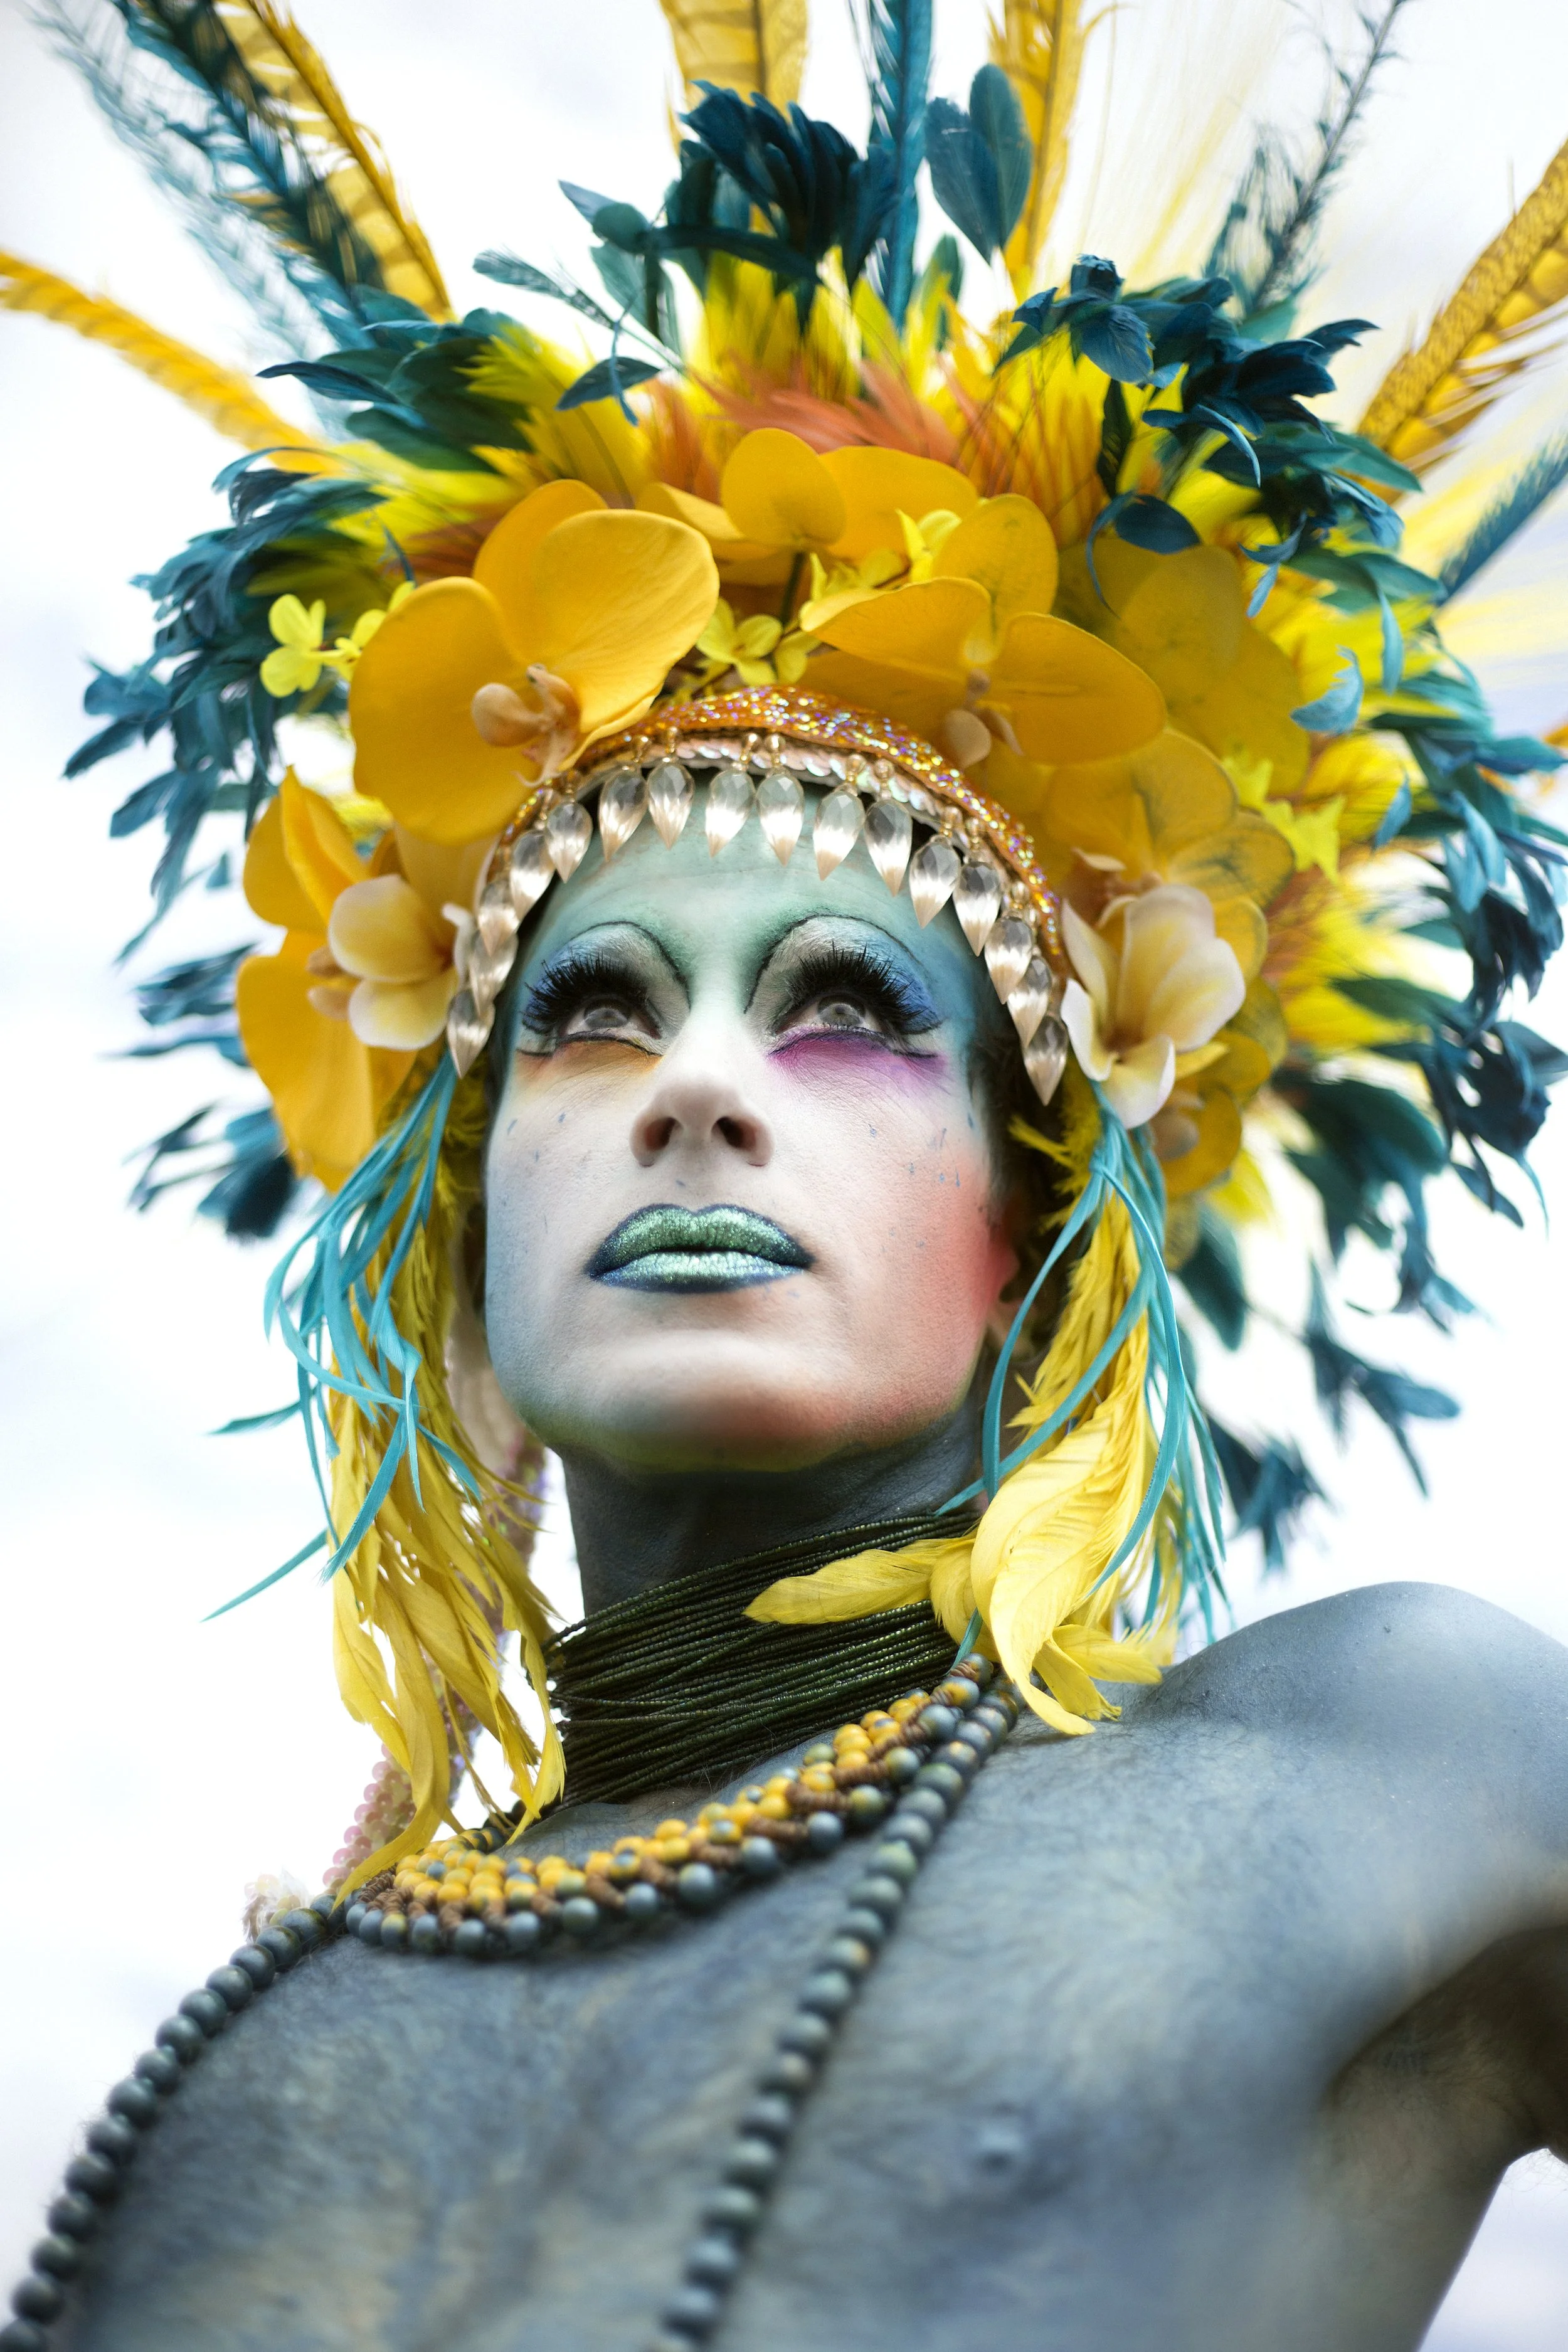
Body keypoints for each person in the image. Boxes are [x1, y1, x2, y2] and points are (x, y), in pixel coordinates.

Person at [5, 6, 1568, 2348]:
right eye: (589, 1010)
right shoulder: (258, 2048)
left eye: (845, 1005)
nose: (693, 1090)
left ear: (1037, 1211)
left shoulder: (1383, 1771)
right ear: (466, 1220)